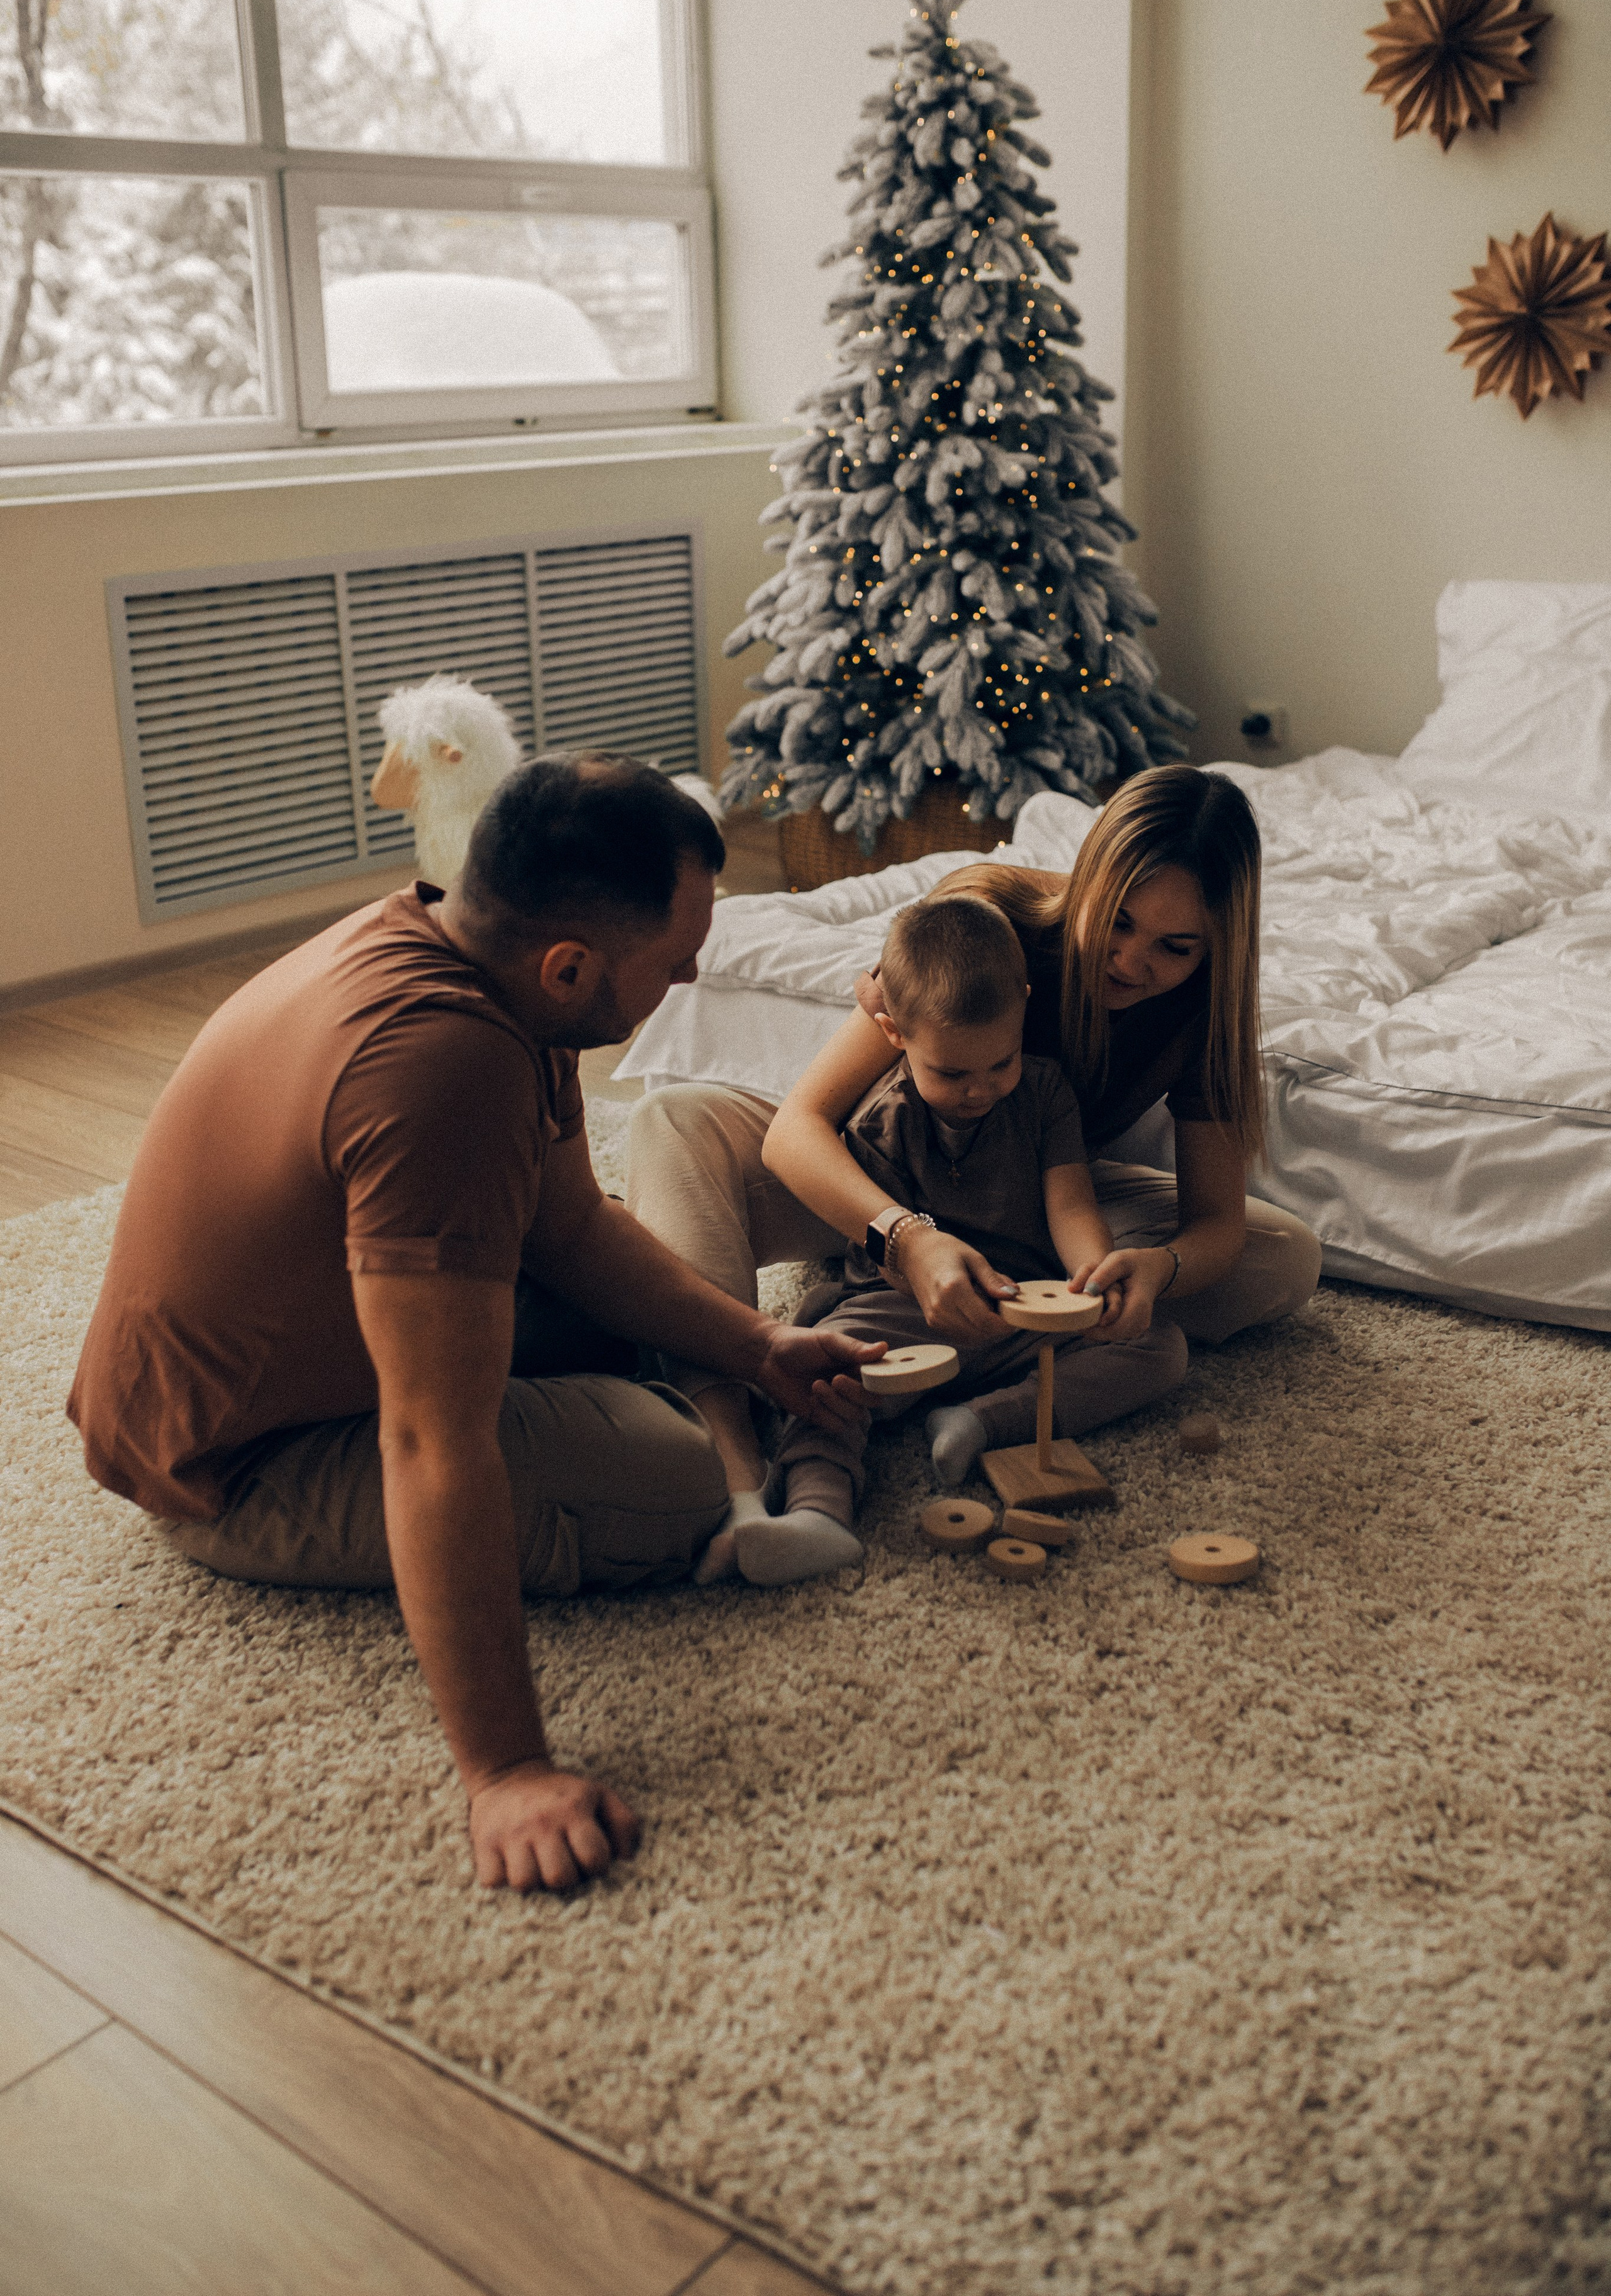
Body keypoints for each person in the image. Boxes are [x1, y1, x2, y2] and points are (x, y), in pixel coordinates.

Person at [68, 757, 882, 1898]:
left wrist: (756, 1347)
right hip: (228, 1464)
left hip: (282, 1361)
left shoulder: (481, 967)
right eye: (675, 957)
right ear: (571, 965)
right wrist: (505, 1771)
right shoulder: (448, 1068)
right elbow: (429, 1439)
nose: (694, 973)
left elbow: (573, 1230)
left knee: (663, 1317)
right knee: (683, 1474)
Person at [626, 764, 1322, 1523]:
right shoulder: (984, 918)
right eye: (1117, 921)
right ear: (1088, 877)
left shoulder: (1204, 1015)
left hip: (1038, 1206)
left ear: (1215, 947)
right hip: (884, 1184)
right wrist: (906, 1238)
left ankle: (977, 1368)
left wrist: (1156, 1269)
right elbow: (800, 1127)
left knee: (1282, 1255)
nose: (1130, 962)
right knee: (675, 1121)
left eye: (1175, 947)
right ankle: (729, 1448)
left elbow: (1215, 1223)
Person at [731, 892, 1188, 1586]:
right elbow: (890, 1254)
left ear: (1024, 1010)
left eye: (1000, 1063)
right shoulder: (881, 1119)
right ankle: (817, 1512)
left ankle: (979, 1421)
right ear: (894, 1033)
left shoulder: (1044, 1092)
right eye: (952, 1073)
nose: (981, 1090)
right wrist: (917, 1273)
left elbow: (1070, 1204)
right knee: (828, 1381)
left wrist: (1092, 1279)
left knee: (1159, 1347)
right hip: (910, 1310)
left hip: (1023, 1308)